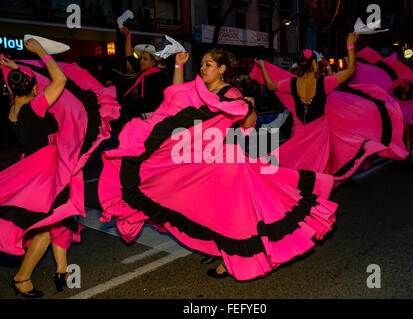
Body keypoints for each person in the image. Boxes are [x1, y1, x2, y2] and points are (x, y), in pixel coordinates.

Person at [97, 48, 339, 281]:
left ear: (221, 68)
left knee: (231, 215)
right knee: (205, 208)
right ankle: (218, 249)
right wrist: (179, 63)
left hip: (225, 164)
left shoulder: (231, 93)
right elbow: (177, 97)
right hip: (201, 161)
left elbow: (247, 124)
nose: (203, 68)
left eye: (208, 64)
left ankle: (231, 259)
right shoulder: (199, 90)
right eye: (201, 63)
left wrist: (249, 106)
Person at [0, 38, 121, 297]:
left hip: (34, 166)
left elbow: (21, 84)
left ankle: (63, 269)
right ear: (35, 89)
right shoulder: (36, 106)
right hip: (48, 174)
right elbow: (60, 81)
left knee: (63, 219)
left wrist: (14, 66)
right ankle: (22, 278)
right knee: (46, 228)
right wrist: (41, 52)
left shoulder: (13, 109)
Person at [251, 33, 408, 181]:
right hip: (319, 133)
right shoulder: (324, 83)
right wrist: (350, 46)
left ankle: (299, 195)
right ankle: (316, 199)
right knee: (319, 171)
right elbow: (351, 70)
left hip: (299, 132)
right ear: (314, 64)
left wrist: (264, 67)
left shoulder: (291, 83)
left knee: (296, 165)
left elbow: (271, 85)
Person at [120, 26, 171, 120]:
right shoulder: (142, 72)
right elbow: (129, 56)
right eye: (141, 58)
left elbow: (169, 96)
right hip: (142, 116)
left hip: (156, 117)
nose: (141, 61)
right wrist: (127, 36)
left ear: (153, 62)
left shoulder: (160, 76)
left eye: (145, 59)